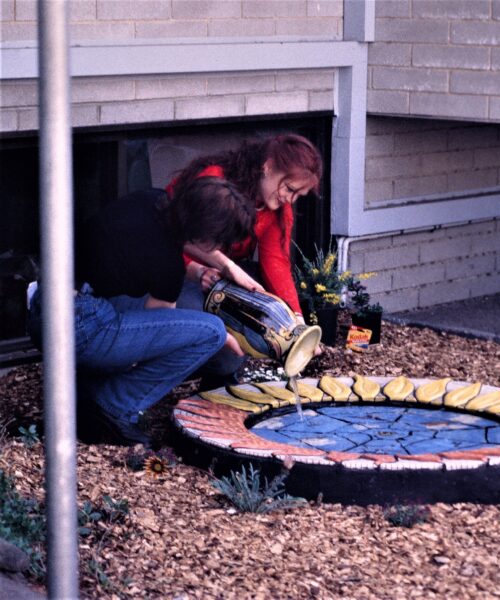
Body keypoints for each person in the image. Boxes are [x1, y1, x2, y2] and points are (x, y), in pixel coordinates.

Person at [28, 177, 255, 446]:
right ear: (206, 232)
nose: (219, 249)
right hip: (77, 327)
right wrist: (229, 339)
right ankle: (113, 405)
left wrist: (227, 267)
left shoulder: (150, 200)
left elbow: (179, 242)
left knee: (132, 311)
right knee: (211, 332)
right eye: (219, 242)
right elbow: (158, 336)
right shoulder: (168, 267)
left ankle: (85, 388)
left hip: (45, 306)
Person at [167, 134, 324, 387]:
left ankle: (219, 385)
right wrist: (196, 269)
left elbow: (276, 263)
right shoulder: (213, 179)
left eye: (298, 195)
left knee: (257, 298)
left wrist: (297, 322)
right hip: (175, 271)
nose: (290, 200)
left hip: (221, 278)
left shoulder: (276, 207)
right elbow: (173, 237)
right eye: (290, 189)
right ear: (268, 166)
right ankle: (201, 371)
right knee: (221, 348)